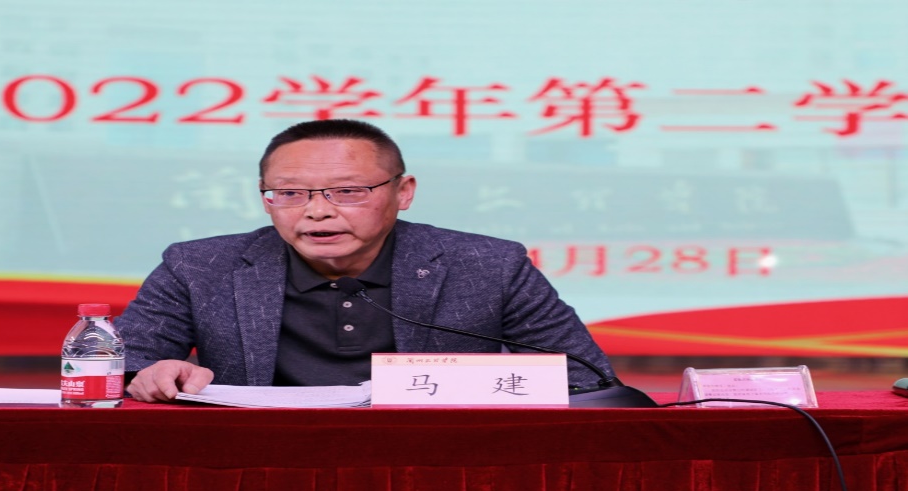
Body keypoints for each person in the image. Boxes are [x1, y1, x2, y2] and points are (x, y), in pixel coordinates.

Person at [117, 119, 615, 402]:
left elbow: (587, 377)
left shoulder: (489, 264)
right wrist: (153, 372)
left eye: (348, 191)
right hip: (263, 458)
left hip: (433, 461)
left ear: (404, 192)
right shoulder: (199, 265)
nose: (316, 211)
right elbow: (118, 362)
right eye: (289, 193)